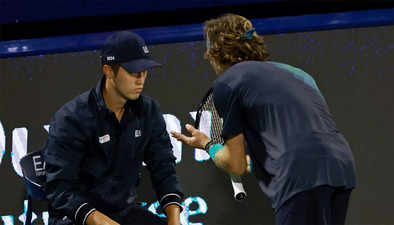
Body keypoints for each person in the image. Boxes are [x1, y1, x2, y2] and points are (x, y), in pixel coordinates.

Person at [171, 14, 356, 225]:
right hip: (341, 169)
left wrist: (207, 144)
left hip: (300, 175)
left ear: (214, 53)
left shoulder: (228, 82)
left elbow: (236, 165)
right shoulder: (299, 74)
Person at [44, 31, 183, 225]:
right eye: (133, 72)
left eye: (144, 71)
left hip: (124, 213)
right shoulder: (71, 118)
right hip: (77, 217)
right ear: (108, 70)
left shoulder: (149, 110)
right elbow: (59, 190)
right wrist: (102, 222)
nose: (140, 79)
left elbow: (163, 167)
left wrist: (175, 219)